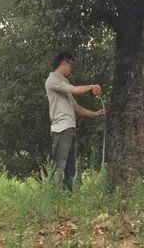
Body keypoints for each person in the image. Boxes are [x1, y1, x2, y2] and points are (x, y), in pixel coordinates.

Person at [45, 51, 105, 191]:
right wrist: (90, 87)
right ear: (64, 63)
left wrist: (94, 114)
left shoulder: (64, 83)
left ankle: (67, 197)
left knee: (70, 167)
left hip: (69, 128)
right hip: (61, 128)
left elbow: (75, 107)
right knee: (59, 164)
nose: (71, 68)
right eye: (70, 64)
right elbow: (75, 90)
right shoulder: (53, 80)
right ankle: (55, 197)